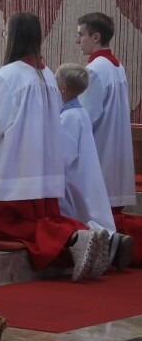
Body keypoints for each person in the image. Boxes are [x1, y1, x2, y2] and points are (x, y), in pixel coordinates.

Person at [0, 12, 110, 282]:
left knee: (12, 227)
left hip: (14, 173)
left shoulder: (9, 76)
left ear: (14, 37)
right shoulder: (48, 76)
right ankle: (85, 233)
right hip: (45, 175)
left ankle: (74, 237)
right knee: (42, 222)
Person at [76, 11, 142, 265]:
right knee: (109, 213)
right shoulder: (116, 66)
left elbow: (86, 116)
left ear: (96, 36)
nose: (78, 40)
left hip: (100, 148)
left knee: (95, 215)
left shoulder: (94, 70)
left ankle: (108, 252)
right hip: (114, 146)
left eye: (81, 35)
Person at [55, 63, 132, 270]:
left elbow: (63, 157)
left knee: (77, 218)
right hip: (84, 175)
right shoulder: (79, 113)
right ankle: (113, 242)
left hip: (73, 179)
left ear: (63, 87)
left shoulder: (68, 117)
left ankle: (109, 245)